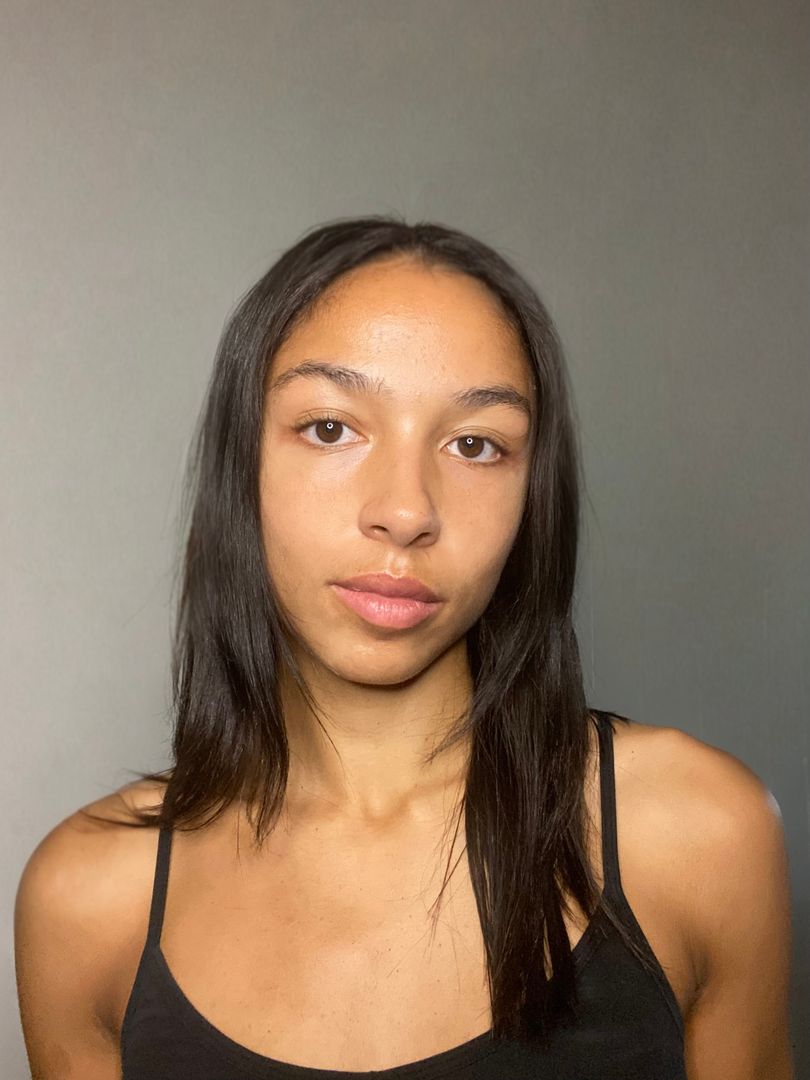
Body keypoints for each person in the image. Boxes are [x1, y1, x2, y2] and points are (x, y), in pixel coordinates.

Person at [14, 216, 794, 1078]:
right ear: (242, 462)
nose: (406, 510)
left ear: (532, 495)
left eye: (475, 445)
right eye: (330, 428)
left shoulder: (694, 835)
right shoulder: (90, 903)